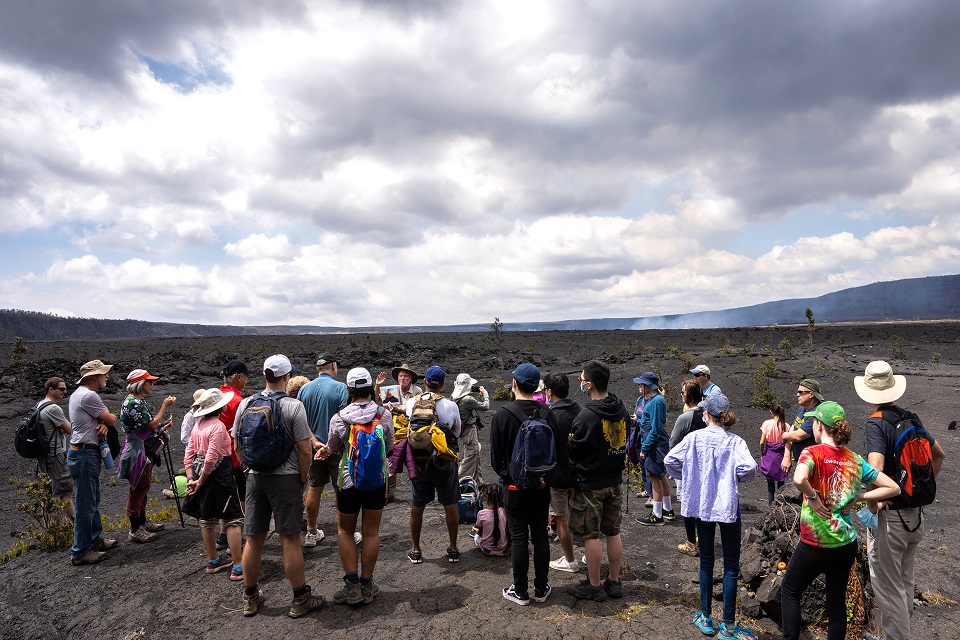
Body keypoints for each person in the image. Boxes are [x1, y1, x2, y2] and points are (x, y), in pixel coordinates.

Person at [780, 401, 901, 640]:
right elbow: (893, 488)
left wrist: (813, 497)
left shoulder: (812, 452)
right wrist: (861, 495)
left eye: (814, 422)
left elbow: (798, 478)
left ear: (819, 426)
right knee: (836, 601)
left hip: (817, 542)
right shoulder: (854, 460)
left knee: (790, 590)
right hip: (846, 543)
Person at [856, 361, 946, 640]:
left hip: (891, 520)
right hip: (914, 516)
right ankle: (897, 634)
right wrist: (917, 489)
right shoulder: (911, 418)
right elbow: (939, 455)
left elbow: (876, 468)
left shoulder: (876, 424)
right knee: (904, 582)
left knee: (887, 584)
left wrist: (873, 503)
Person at [232, 355, 325, 619]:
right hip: (285, 478)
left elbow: (237, 444)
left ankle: (250, 597)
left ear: (264, 375)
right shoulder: (293, 406)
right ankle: (300, 598)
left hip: (254, 477)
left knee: (254, 538)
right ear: (287, 377)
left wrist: (248, 469)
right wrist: (302, 478)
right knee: (290, 539)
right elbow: (305, 450)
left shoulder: (245, 404)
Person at [664, 393, 757, 640]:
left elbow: (669, 460)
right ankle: (728, 626)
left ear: (706, 414)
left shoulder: (694, 438)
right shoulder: (735, 441)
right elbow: (749, 468)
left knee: (706, 562)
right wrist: (734, 478)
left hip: (702, 506)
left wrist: (688, 477)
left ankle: (706, 618)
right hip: (727, 506)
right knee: (731, 566)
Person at [316, 367, 394, 606]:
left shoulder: (340, 418)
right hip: (376, 481)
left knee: (345, 531)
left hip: (348, 481)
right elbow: (389, 447)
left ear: (349, 390)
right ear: (371, 387)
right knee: (371, 532)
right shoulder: (383, 415)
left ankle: (352, 587)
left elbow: (334, 446)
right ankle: (368, 585)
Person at [490, 363, 557, 605]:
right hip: (541, 486)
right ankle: (541, 589)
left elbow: (495, 460)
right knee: (540, 535)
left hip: (514, 489)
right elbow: (555, 453)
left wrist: (509, 476)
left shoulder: (502, 415)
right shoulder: (547, 413)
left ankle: (520, 591)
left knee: (518, 538)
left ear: (514, 384)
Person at [183, 388, 244, 579]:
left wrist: (192, 478)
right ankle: (238, 566)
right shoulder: (217, 426)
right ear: (221, 407)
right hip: (219, 475)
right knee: (233, 519)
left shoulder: (198, 425)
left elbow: (189, 455)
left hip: (201, 473)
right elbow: (212, 457)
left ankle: (213, 560)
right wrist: (200, 481)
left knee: (206, 518)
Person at [405, 366, 462, 564]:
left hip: (418, 460)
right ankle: (453, 548)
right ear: (443, 384)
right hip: (443, 461)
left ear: (425, 383)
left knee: (417, 504)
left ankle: (416, 549)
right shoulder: (450, 405)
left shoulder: (411, 402)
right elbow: (457, 433)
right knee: (450, 503)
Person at [67, 360, 119, 565]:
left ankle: (94, 539)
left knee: (92, 498)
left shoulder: (78, 394)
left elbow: (100, 420)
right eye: (103, 374)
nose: (106, 377)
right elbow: (113, 419)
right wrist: (106, 421)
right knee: (86, 503)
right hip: (86, 453)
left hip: (81, 452)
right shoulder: (89, 395)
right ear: (92, 377)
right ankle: (80, 551)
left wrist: (102, 422)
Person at [117, 369, 176, 543]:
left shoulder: (136, 401)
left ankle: (142, 522)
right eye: (150, 382)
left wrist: (162, 426)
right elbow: (150, 425)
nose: (152, 385)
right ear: (141, 384)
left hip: (140, 447)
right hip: (137, 451)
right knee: (138, 487)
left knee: (143, 486)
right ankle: (135, 529)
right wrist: (164, 407)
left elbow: (146, 426)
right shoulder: (133, 403)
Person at [297, 354, 349, 547]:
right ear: (333, 366)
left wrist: (315, 442)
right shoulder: (341, 388)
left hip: (312, 449)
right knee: (340, 488)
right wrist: (329, 445)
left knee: (314, 488)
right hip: (335, 449)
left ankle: (311, 532)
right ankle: (343, 531)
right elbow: (344, 421)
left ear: (318, 369)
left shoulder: (304, 389)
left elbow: (301, 421)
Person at [543, 371, 582, 573]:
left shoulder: (551, 415)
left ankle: (570, 560)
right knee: (581, 515)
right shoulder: (580, 411)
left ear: (549, 392)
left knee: (562, 518)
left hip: (558, 475)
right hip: (580, 473)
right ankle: (588, 554)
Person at [669, 379, 706, 557]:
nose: (681, 396)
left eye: (683, 393)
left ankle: (691, 543)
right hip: (705, 466)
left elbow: (673, 443)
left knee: (688, 506)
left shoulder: (685, 418)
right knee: (701, 505)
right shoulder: (706, 414)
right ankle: (701, 538)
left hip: (689, 467)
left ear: (688, 396)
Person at [375, 362, 423, 502]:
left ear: (411, 379)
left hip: (411, 430)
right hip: (394, 431)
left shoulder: (417, 392)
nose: (403, 378)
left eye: (406, 376)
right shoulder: (391, 391)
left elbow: (418, 409)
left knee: (414, 461)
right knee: (390, 461)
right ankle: (388, 494)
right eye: (401, 376)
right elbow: (377, 401)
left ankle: (420, 491)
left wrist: (399, 409)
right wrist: (377, 385)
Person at [635, 372, 673, 526]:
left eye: (641, 384)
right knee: (661, 474)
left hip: (654, 445)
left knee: (654, 477)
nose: (639, 387)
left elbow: (656, 429)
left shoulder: (656, 402)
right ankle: (667, 509)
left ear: (648, 386)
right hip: (657, 444)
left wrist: (644, 448)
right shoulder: (656, 400)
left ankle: (657, 515)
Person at [36, 377, 75, 521]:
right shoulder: (53, 408)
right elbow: (70, 429)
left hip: (44, 455)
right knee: (65, 491)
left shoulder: (40, 405)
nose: (65, 392)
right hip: (55, 455)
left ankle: (50, 528)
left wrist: (61, 428)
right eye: (62, 389)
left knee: (47, 491)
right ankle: (78, 529)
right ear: (51, 389)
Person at [452, 372, 489, 484]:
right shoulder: (467, 399)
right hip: (470, 431)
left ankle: (478, 482)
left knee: (475, 454)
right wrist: (485, 394)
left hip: (463, 431)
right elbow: (485, 407)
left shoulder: (454, 396)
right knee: (470, 456)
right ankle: (456, 482)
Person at [780, 378, 822, 474]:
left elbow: (797, 436)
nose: (797, 394)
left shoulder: (816, 414)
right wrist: (787, 456)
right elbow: (792, 431)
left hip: (811, 465)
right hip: (799, 461)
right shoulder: (802, 409)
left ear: (811, 394)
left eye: (800, 392)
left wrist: (784, 435)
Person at [758, 402, 789, 506]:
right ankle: (780, 507)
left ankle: (770, 507)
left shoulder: (767, 424)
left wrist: (762, 454)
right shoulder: (786, 426)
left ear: (771, 411)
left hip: (770, 454)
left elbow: (762, 442)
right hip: (781, 455)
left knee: (770, 484)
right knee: (781, 484)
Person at [472, 484, 508, 556]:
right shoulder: (504, 511)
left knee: (476, 536)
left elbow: (479, 530)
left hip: (488, 549)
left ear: (487, 497)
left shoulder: (482, 513)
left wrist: (474, 529)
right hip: (504, 547)